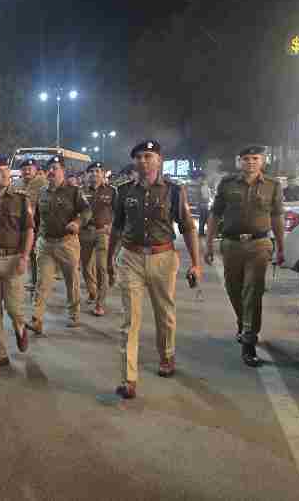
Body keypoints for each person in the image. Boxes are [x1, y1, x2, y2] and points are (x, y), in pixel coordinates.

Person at [107, 140, 201, 399]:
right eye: (138, 157)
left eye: (148, 156)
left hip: (163, 258)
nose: (143, 161)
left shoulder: (174, 191)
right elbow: (117, 227)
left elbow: (187, 227)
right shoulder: (123, 191)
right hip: (131, 258)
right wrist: (109, 259)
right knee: (129, 320)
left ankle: (167, 355)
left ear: (159, 160)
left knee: (165, 314)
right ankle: (128, 378)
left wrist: (196, 263)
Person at [205, 145, 285, 367]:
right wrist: (208, 244)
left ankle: (249, 339)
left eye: (255, 158)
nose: (251, 162)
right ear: (239, 161)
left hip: (259, 245)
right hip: (231, 244)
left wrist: (281, 247)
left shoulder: (273, 185)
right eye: (246, 159)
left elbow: (277, 217)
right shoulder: (227, 184)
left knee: (253, 290)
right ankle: (243, 321)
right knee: (233, 289)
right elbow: (215, 214)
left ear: (262, 161)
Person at [27, 154, 89, 334]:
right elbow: (37, 218)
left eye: (55, 168)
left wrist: (78, 222)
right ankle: (37, 318)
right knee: (42, 282)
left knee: (72, 281)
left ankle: (74, 314)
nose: (51, 172)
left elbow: (86, 211)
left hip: (66, 243)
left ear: (63, 171)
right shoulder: (42, 192)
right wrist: (34, 237)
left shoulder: (73, 191)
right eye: (49, 169)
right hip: (45, 243)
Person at [0, 156, 34, 366]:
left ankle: (20, 326)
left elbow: (29, 230)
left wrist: (24, 256)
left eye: (6, 170)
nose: (5, 174)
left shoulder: (21, 199)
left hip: (14, 259)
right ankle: (0, 352)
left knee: (13, 308)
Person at [80, 161, 117, 317]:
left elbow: (118, 212)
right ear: (87, 175)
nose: (94, 174)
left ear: (103, 174)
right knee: (85, 267)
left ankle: (100, 303)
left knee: (101, 267)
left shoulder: (112, 191)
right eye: (92, 171)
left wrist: (112, 226)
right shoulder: (80, 191)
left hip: (103, 233)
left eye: (98, 171)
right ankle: (92, 291)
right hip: (85, 233)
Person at [15, 158, 48, 291]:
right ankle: (34, 280)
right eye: (24, 169)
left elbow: (35, 206)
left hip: (38, 226)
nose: (27, 171)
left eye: (30, 169)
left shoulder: (41, 183)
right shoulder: (17, 183)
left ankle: (39, 283)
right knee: (29, 254)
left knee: (37, 256)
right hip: (22, 226)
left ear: (36, 170)